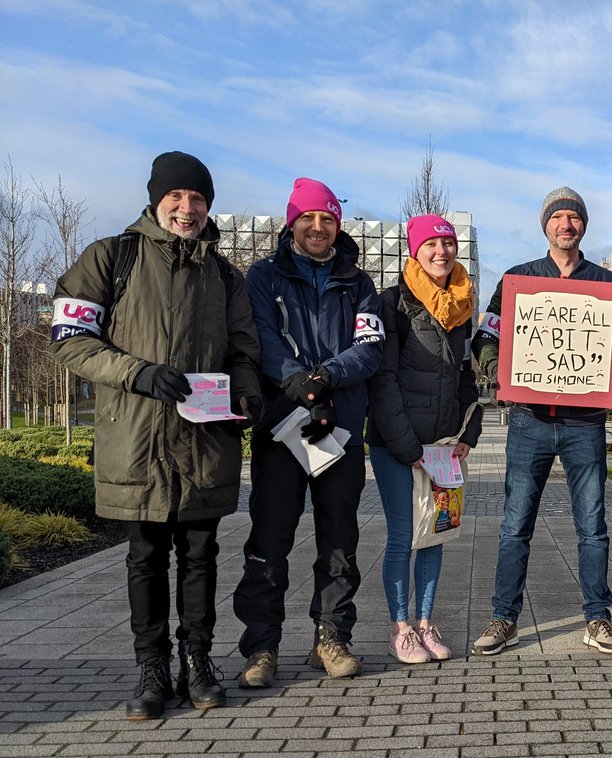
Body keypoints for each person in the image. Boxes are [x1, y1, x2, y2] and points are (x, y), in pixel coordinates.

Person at [50, 151, 262, 720]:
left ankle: (198, 662)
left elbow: (243, 350)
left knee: (201, 553)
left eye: (198, 199)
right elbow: (71, 339)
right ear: (155, 199)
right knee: (144, 556)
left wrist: (246, 393)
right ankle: (152, 669)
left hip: (203, 439)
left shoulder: (224, 275)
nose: (187, 208)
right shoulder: (109, 257)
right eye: (177, 197)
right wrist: (137, 373)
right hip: (136, 438)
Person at [471, 187, 612, 655]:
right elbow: (485, 336)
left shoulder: (607, 283)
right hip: (528, 420)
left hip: (584, 423)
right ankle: (503, 617)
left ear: (583, 225)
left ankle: (598, 618)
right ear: (545, 224)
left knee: (593, 525)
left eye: (573, 217)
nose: (565, 224)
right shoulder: (517, 279)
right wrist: (493, 369)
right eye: (557, 217)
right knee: (514, 525)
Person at [232, 177, 383, 687]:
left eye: (327, 219)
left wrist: (326, 378)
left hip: (338, 429)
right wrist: (296, 382)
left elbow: (369, 347)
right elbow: (260, 338)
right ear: (292, 222)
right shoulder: (263, 277)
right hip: (283, 427)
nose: (318, 227)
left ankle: (332, 637)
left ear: (337, 225)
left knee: (339, 539)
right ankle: (262, 646)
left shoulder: (359, 284)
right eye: (308, 218)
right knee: (269, 540)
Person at [367, 214, 483, 664]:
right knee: (402, 537)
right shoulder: (391, 304)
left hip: (444, 446)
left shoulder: (462, 307)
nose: (442, 252)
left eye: (448, 244)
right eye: (432, 244)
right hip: (398, 446)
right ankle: (401, 629)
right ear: (415, 251)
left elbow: (465, 380)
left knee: (437, 534)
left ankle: (426, 623)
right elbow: (384, 379)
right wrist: (407, 448)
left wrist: (468, 433)